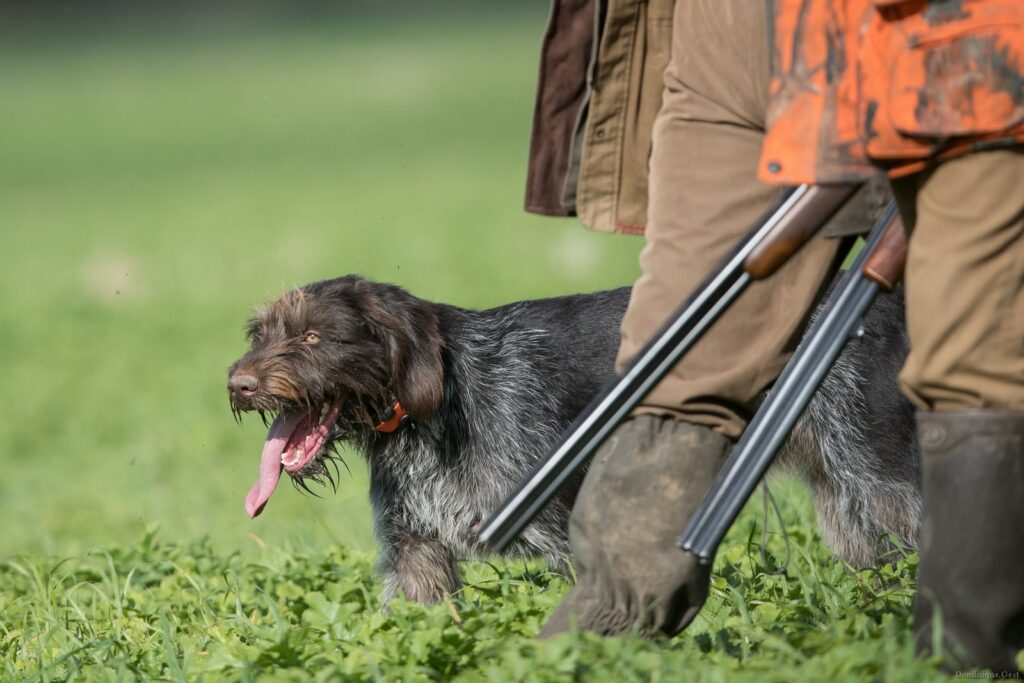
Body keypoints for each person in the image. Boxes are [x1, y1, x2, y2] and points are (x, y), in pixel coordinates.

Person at [524, 0, 1024, 671]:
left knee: (975, 376)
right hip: (769, 39)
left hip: (949, 37)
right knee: (680, 354)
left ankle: (959, 661)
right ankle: (587, 650)